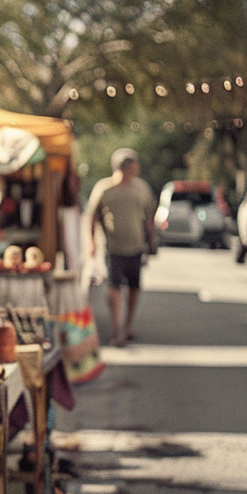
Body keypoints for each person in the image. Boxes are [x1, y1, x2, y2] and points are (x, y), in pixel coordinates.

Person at [86, 147, 156, 346]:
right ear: (126, 166)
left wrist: (151, 243)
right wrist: (91, 242)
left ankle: (128, 325)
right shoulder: (104, 188)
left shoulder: (141, 188)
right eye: (135, 164)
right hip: (112, 247)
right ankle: (118, 330)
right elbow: (92, 217)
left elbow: (149, 218)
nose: (138, 167)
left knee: (134, 287)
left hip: (136, 246)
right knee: (114, 287)